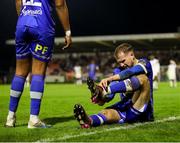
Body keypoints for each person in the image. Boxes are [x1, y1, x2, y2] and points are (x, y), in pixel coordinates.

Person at [5, 0, 72, 128]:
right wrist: (67, 31)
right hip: (42, 25)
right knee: (38, 72)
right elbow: (59, 4)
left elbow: (18, 3)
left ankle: (10, 117)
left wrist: (24, 19)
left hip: (22, 23)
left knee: (19, 72)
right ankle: (33, 119)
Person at [74, 43, 154, 128]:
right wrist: (101, 99)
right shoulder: (118, 70)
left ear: (132, 54)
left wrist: (110, 79)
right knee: (106, 112)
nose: (122, 65)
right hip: (126, 110)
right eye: (119, 62)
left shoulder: (144, 63)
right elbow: (110, 97)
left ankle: (103, 91)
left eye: (123, 61)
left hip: (142, 109)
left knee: (143, 79)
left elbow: (130, 72)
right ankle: (88, 120)